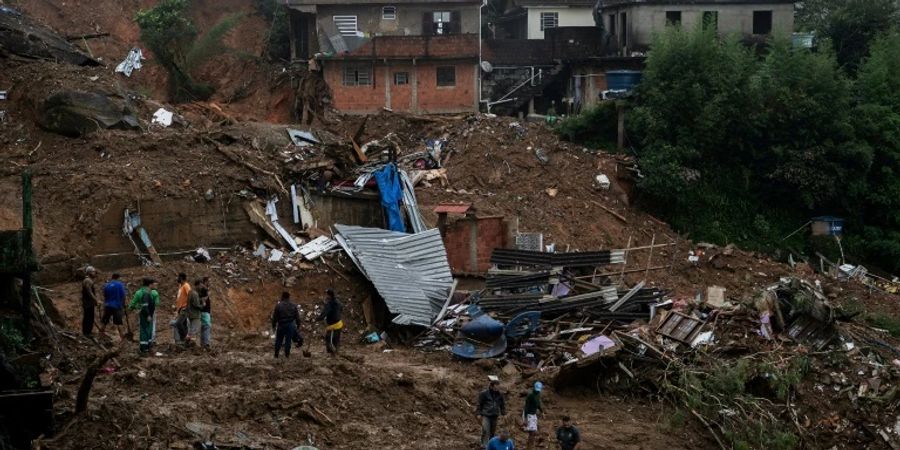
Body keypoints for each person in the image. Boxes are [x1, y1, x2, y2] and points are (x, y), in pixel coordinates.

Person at [128, 278, 160, 354]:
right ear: (150, 284)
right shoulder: (153, 293)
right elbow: (156, 303)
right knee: (147, 330)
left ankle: (146, 347)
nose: (154, 285)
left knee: (145, 330)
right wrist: (149, 314)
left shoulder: (138, 293)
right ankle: (145, 348)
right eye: (153, 284)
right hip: (148, 313)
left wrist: (133, 308)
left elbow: (132, 304)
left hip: (143, 312)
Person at [477, 380, 507, 446]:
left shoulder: (500, 394)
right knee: (485, 430)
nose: (498, 388)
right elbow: (479, 404)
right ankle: (484, 445)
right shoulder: (484, 394)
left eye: (498, 386)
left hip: (495, 415)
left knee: (492, 432)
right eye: (496, 386)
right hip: (486, 415)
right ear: (491, 386)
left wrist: (504, 414)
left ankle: (491, 445)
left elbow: (502, 405)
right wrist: (478, 413)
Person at [272, 292, 301, 358]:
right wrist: (298, 325)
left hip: (281, 325)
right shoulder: (293, 305)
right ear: (288, 297)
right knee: (288, 340)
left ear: (282, 297)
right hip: (290, 325)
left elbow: (275, 317)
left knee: (279, 340)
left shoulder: (278, 306)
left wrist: (273, 326)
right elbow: (297, 317)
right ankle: (287, 355)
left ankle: (276, 354)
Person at [99, 273, 128, 339]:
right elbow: (123, 295)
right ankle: (122, 339)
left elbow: (105, 295)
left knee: (104, 321)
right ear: (118, 278)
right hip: (116, 306)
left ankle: (100, 336)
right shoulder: (120, 284)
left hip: (108, 306)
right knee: (119, 323)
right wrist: (124, 304)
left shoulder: (107, 285)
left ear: (112, 277)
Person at [316, 289, 342, 355]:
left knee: (329, 340)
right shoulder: (338, 302)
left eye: (326, 295)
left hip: (333, 325)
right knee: (336, 340)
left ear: (329, 295)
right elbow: (341, 309)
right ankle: (335, 352)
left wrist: (317, 318)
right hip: (339, 323)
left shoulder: (330, 304)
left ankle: (334, 354)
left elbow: (324, 314)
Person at [523, 381, 544, 450]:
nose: (537, 391)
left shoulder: (537, 394)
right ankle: (529, 447)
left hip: (534, 415)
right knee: (532, 432)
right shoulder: (530, 395)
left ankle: (530, 446)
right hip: (529, 414)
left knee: (533, 433)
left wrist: (542, 412)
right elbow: (526, 407)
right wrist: (525, 418)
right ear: (534, 388)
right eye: (536, 389)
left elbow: (538, 404)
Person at [185, 278, 205, 346]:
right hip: (195, 314)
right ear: (198, 284)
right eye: (201, 285)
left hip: (189, 313)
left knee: (190, 330)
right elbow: (196, 304)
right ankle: (192, 345)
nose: (202, 286)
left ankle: (187, 343)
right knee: (194, 330)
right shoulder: (195, 294)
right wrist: (202, 305)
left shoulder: (190, 292)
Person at [172, 273, 191, 344]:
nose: (177, 279)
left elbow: (190, 295)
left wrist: (186, 306)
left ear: (181, 278)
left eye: (178, 277)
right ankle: (185, 342)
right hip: (180, 309)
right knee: (184, 325)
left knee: (178, 323)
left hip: (184, 308)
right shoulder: (181, 286)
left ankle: (185, 338)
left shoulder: (186, 286)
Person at [81, 266, 99, 337]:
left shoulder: (88, 280)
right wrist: (96, 300)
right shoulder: (88, 280)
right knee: (88, 317)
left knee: (89, 317)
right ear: (89, 272)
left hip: (89, 303)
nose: (94, 273)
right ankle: (87, 333)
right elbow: (89, 292)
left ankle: (87, 332)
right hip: (88, 303)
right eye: (93, 272)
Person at [199, 276, 212, 350]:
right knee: (207, 326)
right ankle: (206, 344)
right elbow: (202, 299)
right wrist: (208, 295)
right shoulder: (204, 289)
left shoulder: (202, 289)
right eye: (209, 281)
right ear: (205, 281)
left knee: (203, 327)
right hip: (205, 311)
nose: (210, 282)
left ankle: (202, 344)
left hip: (203, 311)